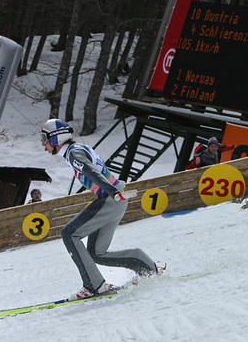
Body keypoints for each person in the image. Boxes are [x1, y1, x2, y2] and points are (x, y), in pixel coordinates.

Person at [40, 118, 159, 300]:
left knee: (69, 234)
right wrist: (115, 192)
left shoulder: (73, 153)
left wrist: (113, 192)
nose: (43, 145)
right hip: (115, 198)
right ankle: (147, 267)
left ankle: (94, 286)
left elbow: (91, 172)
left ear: (56, 138)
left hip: (111, 198)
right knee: (96, 252)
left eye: (44, 139)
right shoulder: (76, 150)